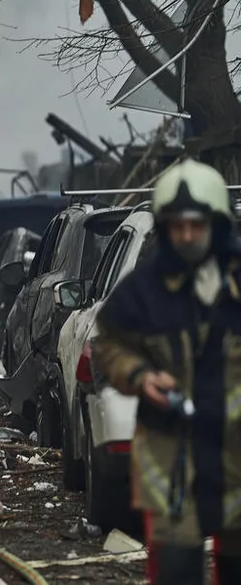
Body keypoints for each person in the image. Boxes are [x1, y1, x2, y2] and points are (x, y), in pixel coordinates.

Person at [93, 158, 241, 585]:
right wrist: (140, 376)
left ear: (216, 223)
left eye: (197, 224)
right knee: (175, 571)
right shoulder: (143, 289)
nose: (188, 235)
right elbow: (110, 345)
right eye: (177, 226)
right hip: (172, 460)